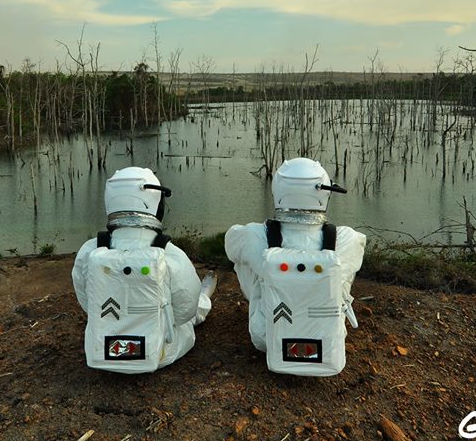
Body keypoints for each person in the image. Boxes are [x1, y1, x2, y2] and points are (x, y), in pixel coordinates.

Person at [225, 157, 366, 376]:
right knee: (339, 273)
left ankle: (266, 310)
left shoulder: (253, 235)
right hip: (328, 342)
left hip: (266, 336)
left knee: (248, 262)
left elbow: (230, 246)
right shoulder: (347, 238)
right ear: (324, 193)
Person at [72, 166, 216, 373]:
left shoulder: (90, 250)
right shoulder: (169, 253)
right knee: (189, 315)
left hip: (100, 350)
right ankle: (205, 300)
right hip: (161, 352)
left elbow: (87, 299)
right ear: (156, 204)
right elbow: (186, 309)